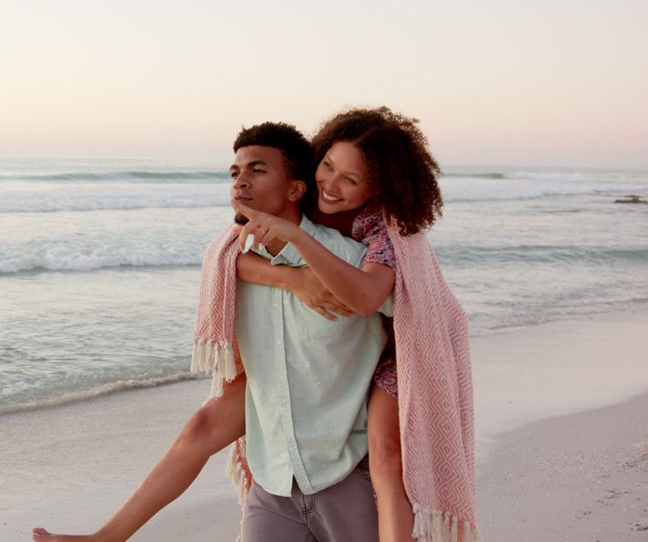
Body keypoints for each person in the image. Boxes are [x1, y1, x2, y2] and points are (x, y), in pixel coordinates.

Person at [34, 109, 478, 542]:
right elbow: (237, 266)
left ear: (293, 188)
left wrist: (305, 259)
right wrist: (289, 277)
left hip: (346, 477)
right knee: (200, 427)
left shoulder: (359, 256)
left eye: (258, 169)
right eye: (234, 171)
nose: (240, 180)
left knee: (385, 453)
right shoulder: (230, 265)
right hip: (274, 484)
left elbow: (408, 311)